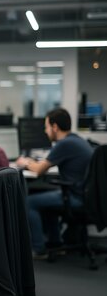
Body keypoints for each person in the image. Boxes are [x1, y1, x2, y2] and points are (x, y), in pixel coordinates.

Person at [16, 108, 93, 257]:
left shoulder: (64, 144)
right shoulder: (76, 139)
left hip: (77, 198)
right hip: (85, 195)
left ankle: (38, 249)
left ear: (55, 127)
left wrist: (24, 162)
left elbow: (39, 170)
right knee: (45, 199)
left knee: (29, 202)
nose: (45, 131)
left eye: (46, 127)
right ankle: (56, 243)